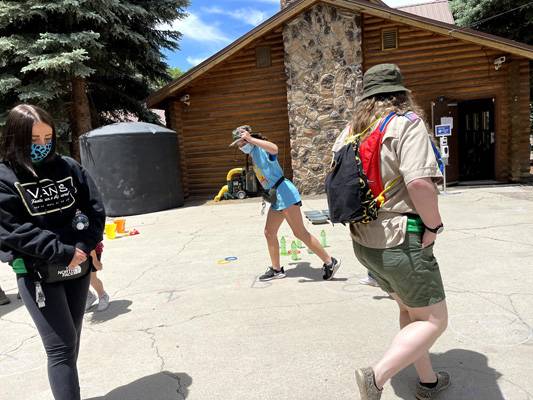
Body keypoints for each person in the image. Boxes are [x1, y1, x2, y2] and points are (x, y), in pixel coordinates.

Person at [335, 65, 449, 400]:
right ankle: (377, 376)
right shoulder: (406, 123)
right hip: (401, 240)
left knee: (410, 312)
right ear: (401, 93)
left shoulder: (350, 132)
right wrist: (434, 225)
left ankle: (428, 381)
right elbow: (419, 183)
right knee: (434, 320)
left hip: (364, 242)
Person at [0, 104, 105, 400]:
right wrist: (61, 251)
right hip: (38, 274)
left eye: (48, 138)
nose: (42, 145)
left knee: (72, 341)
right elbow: (12, 230)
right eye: (34, 139)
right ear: (15, 137)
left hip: (78, 267)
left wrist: (84, 246)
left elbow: (94, 208)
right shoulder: (4, 177)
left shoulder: (69, 167)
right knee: (60, 348)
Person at [230, 125, 341, 281]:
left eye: (241, 143)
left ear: (247, 139)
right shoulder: (254, 153)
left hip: (285, 194)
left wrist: (250, 139)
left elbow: (274, 149)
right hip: (277, 196)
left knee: (299, 232)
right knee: (269, 232)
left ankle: (330, 262)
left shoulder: (261, 149)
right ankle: (276, 270)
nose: (240, 147)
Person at [85, 242, 110, 312]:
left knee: (92, 279)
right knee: (75, 279)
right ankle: (89, 297)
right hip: (75, 252)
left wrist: (95, 260)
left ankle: (103, 295)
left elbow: (87, 240)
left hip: (92, 250)